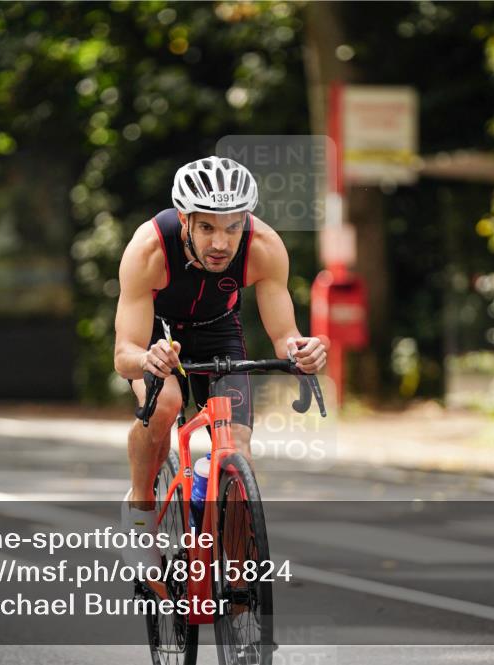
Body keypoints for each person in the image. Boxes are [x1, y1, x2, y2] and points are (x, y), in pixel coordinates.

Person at [112, 156, 328, 578]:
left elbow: (286, 335)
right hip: (159, 333)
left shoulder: (264, 246)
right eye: (207, 227)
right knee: (165, 404)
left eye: (232, 227)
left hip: (218, 330)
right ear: (184, 219)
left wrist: (301, 352)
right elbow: (125, 353)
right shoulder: (148, 249)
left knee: (237, 446)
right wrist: (147, 359)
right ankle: (139, 513)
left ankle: (239, 581)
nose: (221, 243)